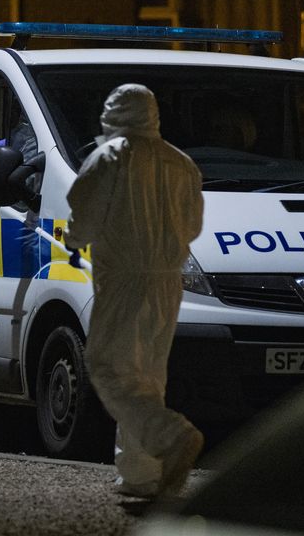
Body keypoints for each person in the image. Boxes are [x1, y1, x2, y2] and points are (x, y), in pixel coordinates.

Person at [64, 83, 204, 498]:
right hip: (168, 282)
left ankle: (171, 435)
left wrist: (74, 240)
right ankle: (141, 474)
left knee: (109, 368)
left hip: (124, 280)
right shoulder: (182, 163)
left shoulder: (110, 157)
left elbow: (83, 220)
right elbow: (192, 227)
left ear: (112, 114)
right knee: (146, 376)